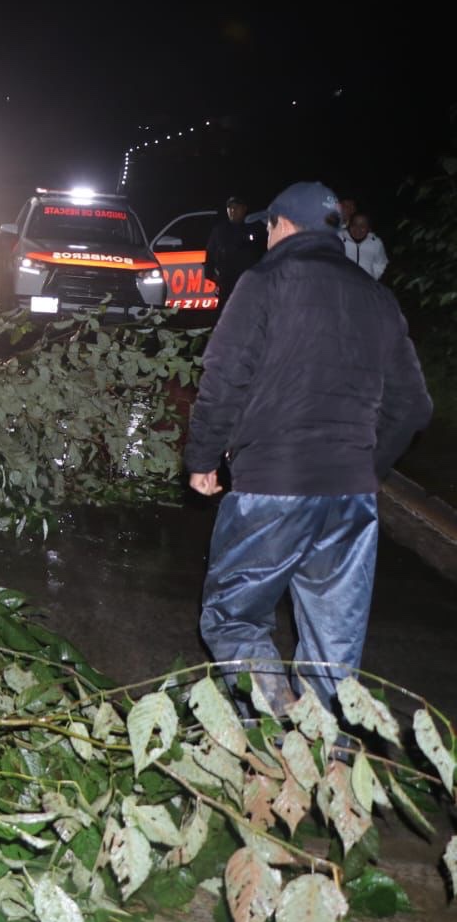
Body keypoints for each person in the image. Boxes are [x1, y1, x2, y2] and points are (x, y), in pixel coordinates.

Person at [185, 181, 431, 719]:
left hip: (273, 486)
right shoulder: (377, 297)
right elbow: (414, 407)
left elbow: (224, 379)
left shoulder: (264, 281)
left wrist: (202, 459)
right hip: (351, 500)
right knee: (333, 654)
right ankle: (324, 763)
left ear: (282, 224)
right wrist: (363, 468)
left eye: (267, 228)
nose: (265, 238)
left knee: (232, 620)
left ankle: (274, 725)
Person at [204, 195, 264, 299]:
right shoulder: (219, 230)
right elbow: (209, 254)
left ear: (244, 208)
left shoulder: (255, 228)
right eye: (230, 207)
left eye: (236, 207)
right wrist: (211, 275)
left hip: (249, 284)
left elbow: (264, 254)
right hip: (226, 284)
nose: (232, 210)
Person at [342, 211, 390, 280]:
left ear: (369, 228)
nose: (358, 229)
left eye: (362, 226)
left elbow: (381, 263)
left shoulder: (376, 243)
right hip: (343, 283)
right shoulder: (339, 238)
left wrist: (373, 278)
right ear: (349, 225)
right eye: (354, 224)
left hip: (366, 286)